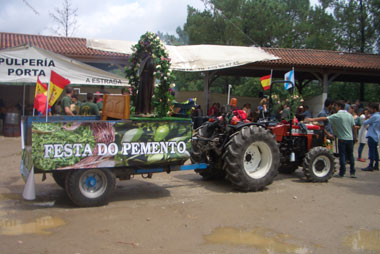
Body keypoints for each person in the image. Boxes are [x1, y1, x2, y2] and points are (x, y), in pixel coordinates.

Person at [304, 100, 356, 178]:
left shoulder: (338, 115)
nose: (334, 107)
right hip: (350, 138)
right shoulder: (350, 115)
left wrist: (311, 120)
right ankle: (352, 172)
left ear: (339, 107)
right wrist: (355, 137)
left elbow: (324, 118)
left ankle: (342, 173)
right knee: (351, 155)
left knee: (342, 155)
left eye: (336, 106)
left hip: (342, 138)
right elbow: (354, 127)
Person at [362, 103, 380, 171]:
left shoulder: (375, 116)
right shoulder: (378, 116)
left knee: (371, 151)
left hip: (372, 135)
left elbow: (365, 123)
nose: (370, 110)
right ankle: (376, 165)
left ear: (374, 109)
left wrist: (366, 117)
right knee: (375, 151)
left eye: (371, 109)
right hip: (377, 135)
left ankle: (371, 165)